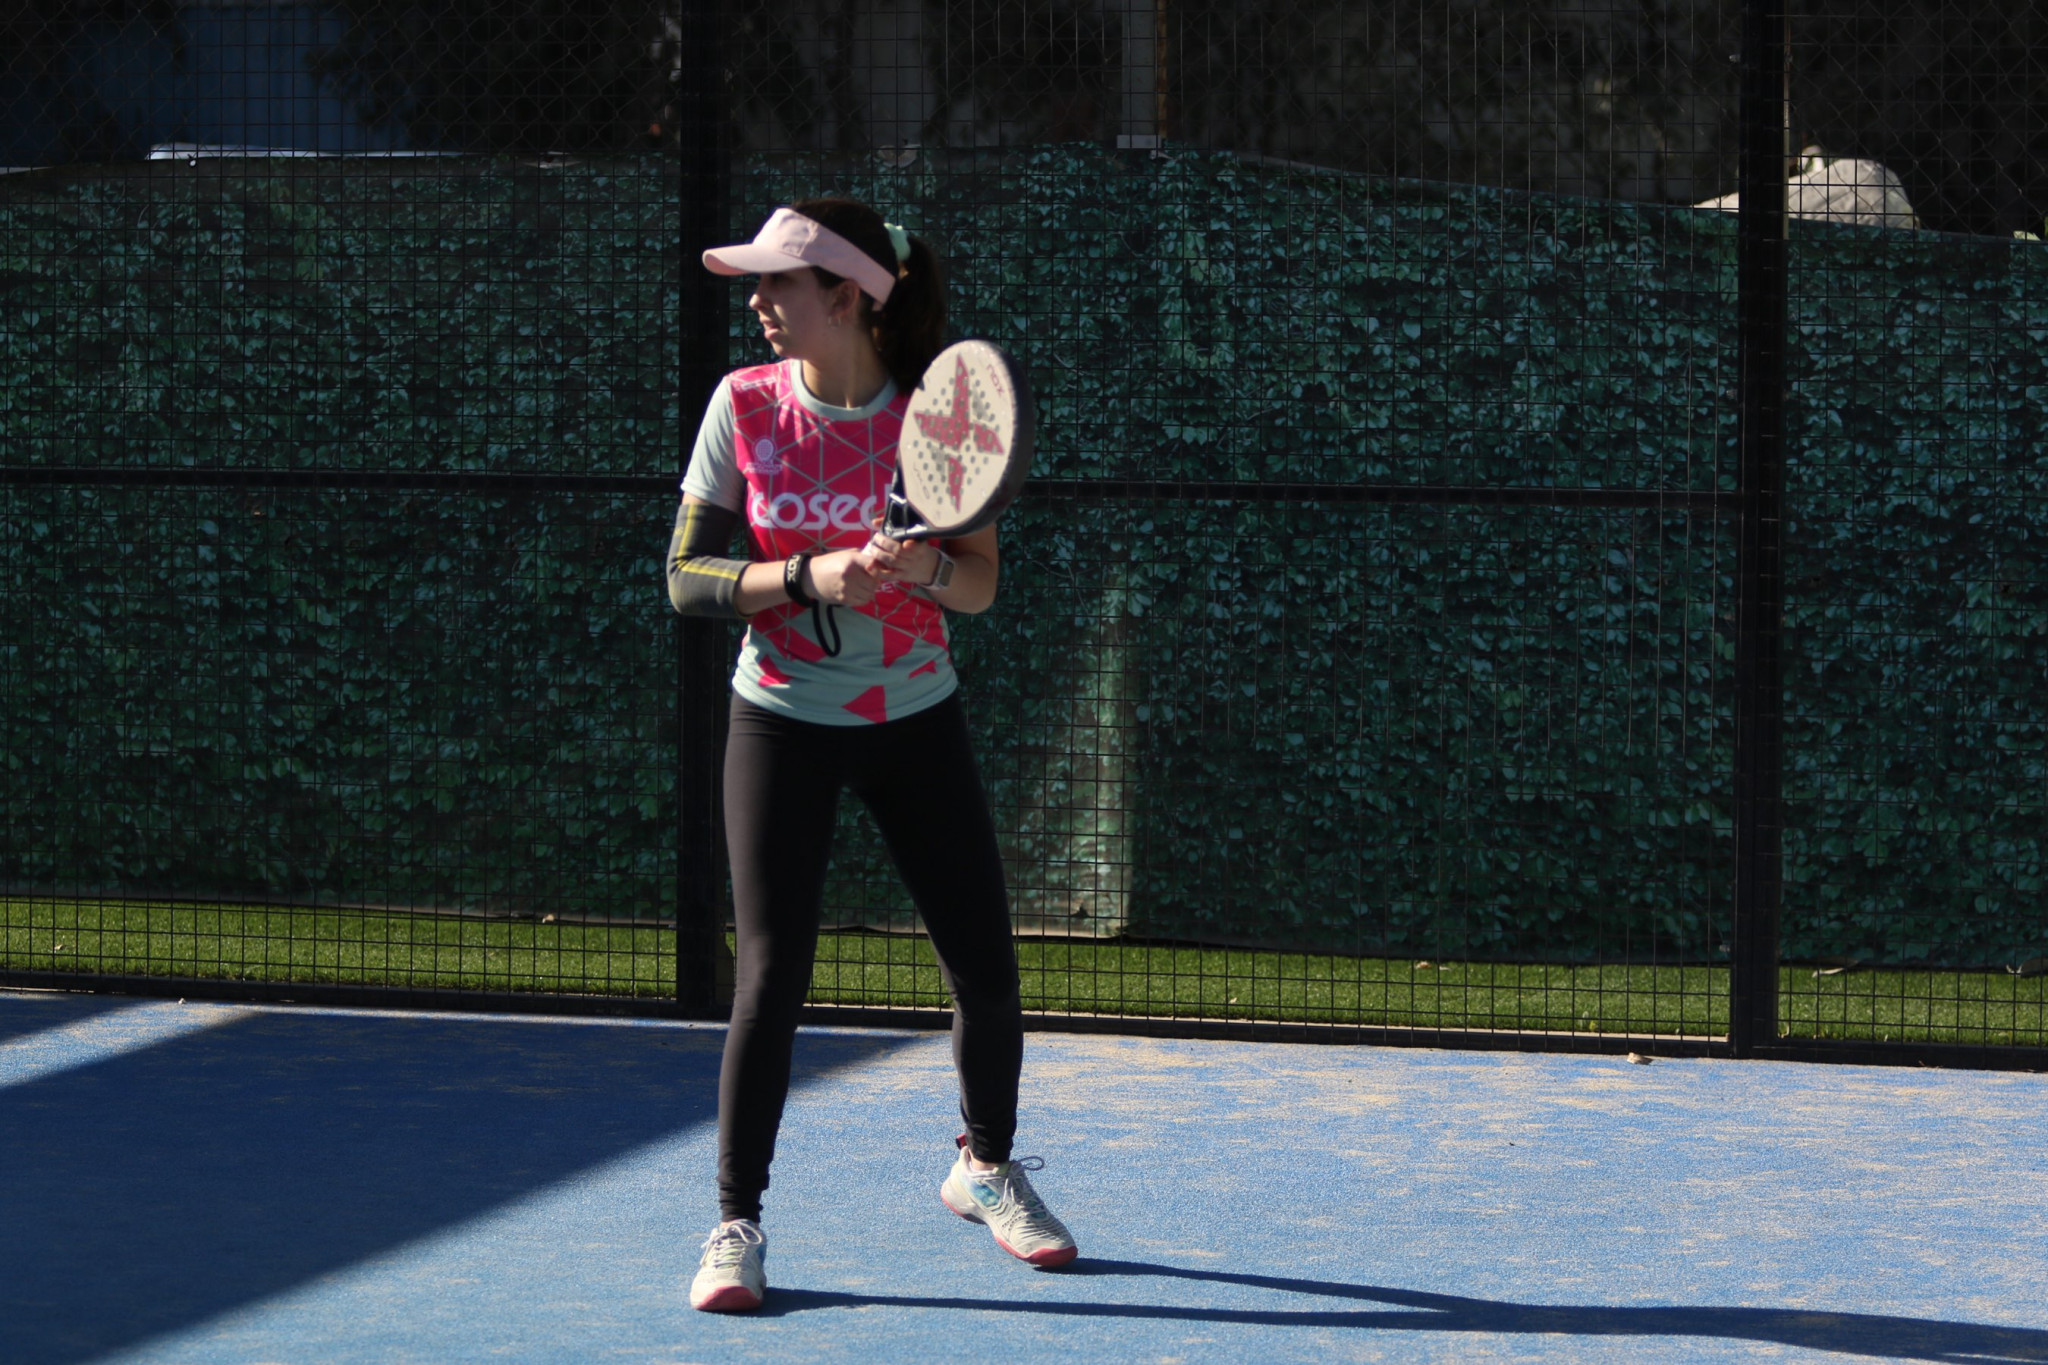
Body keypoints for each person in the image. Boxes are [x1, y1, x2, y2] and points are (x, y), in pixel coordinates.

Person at [666, 198, 1078, 1314]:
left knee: (985, 970)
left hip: (914, 717)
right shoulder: (743, 405)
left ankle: (985, 1167)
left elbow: (978, 585)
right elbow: (687, 577)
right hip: (779, 718)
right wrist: (810, 576)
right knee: (770, 978)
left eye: (779, 282)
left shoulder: (933, 419)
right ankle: (736, 1225)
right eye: (757, 283)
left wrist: (919, 571)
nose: (758, 301)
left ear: (845, 297)